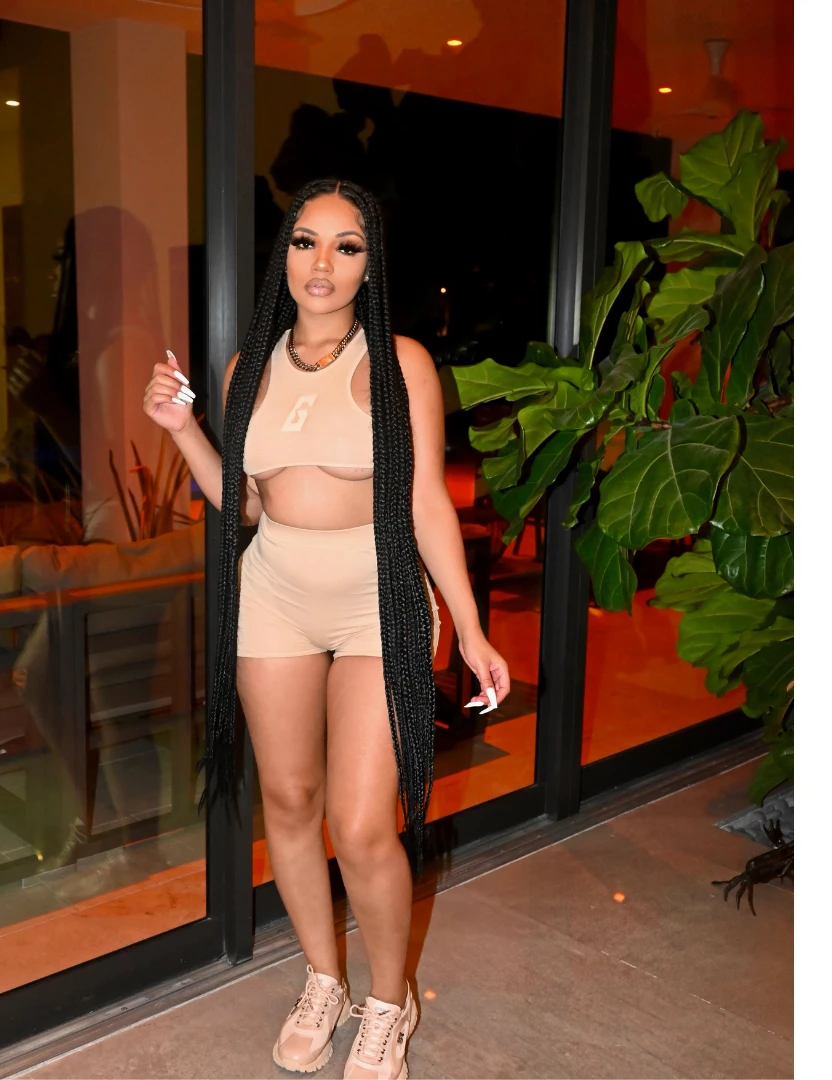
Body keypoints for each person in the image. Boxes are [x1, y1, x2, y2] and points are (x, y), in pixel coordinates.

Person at [142, 178, 509, 1080]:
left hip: (376, 596)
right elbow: (245, 504)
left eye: (348, 247)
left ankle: (389, 1001)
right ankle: (324, 979)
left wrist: (469, 628)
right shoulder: (248, 367)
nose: (323, 263)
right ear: (285, 255)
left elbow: (426, 503)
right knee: (290, 802)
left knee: (362, 821)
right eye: (307, 242)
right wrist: (182, 429)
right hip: (274, 592)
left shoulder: (401, 364)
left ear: (370, 265)